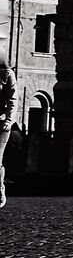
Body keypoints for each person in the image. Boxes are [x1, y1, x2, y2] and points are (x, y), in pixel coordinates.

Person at [0, 57, 13, 207]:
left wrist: (9, 120)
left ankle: (0, 189)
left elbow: (13, 99)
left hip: (1, 123)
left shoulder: (7, 74)